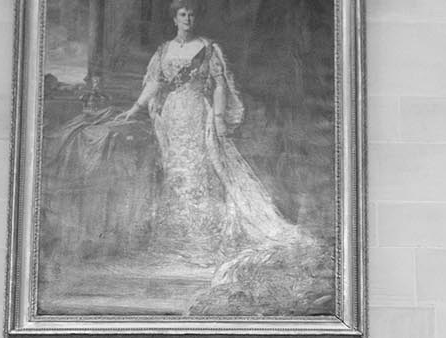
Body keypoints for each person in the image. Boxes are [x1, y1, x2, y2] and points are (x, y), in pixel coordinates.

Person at [115, 2, 310, 266]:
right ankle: (176, 240)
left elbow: (219, 86)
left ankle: (203, 240)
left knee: (200, 171)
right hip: (172, 117)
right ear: (174, 19)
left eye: (192, 14)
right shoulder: (164, 50)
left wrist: (218, 118)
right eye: (183, 14)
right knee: (176, 172)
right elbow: (155, 83)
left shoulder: (208, 48)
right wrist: (135, 108)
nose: (188, 19)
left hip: (197, 114)